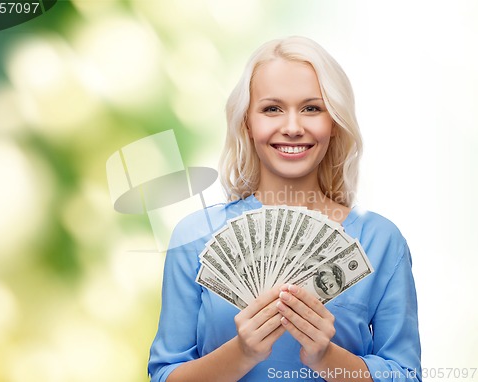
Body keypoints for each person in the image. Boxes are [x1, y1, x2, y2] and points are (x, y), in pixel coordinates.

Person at [148, 36, 422, 382]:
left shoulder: (381, 240)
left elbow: (406, 375)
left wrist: (327, 356)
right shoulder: (194, 236)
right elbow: (164, 375)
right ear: (247, 122)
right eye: (272, 108)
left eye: (312, 108)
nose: (292, 128)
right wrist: (242, 353)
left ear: (334, 123)